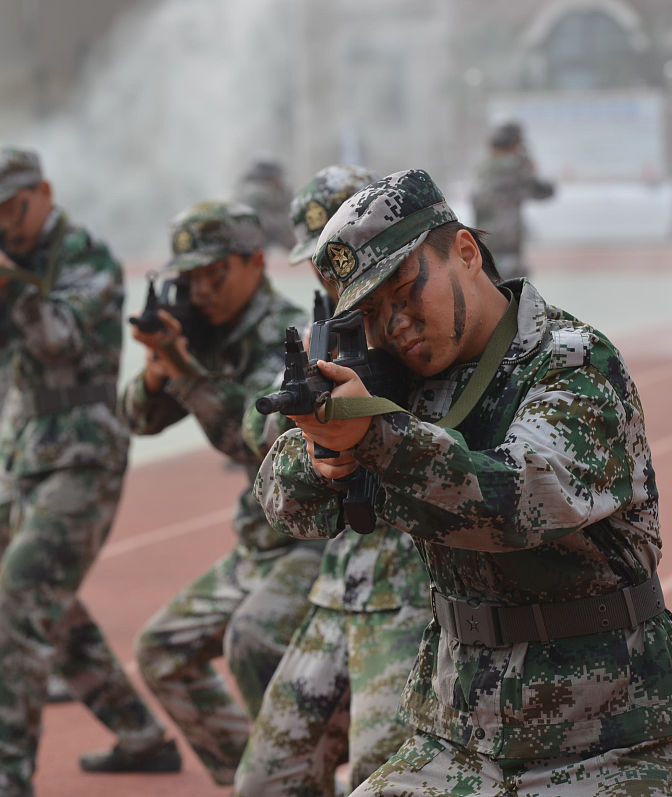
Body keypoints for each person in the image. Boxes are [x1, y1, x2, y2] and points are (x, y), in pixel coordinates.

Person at [257, 169, 672, 795]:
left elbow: (519, 500)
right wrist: (325, 456)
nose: (396, 325)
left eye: (406, 290)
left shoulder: (574, 362)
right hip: (457, 735)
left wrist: (374, 436)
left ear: (465, 252)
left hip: (608, 736)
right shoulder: (398, 380)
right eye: (373, 314)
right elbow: (285, 504)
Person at [0, 148, 179, 797]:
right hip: (24, 437)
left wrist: (10, 288)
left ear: (42, 193)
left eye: (9, 210)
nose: (0, 225)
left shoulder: (88, 259)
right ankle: (137, 731)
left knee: (23, 596)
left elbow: (59, 340)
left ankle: (8, 768)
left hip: (84, 446)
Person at [234, 164, 440, 796]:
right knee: (267, 779)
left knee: (383, 767)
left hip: (411, 586)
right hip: (340, 580)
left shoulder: (421, 323)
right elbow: (259, 427)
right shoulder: (319, 324)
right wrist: (311, 418)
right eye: (324, 263)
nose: (331, 278)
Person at [121, 200, 322, 787]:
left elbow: (249, 437)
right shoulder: (205, 333)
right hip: (259, 542)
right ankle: (255, 780)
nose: (200, 289)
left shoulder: (288, 339)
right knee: (162, 652)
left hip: (313, 542)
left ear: (255, 261)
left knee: (253, 638)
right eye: (188, 277)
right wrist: (161, 368)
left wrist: (184, 368)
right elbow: (136, 418)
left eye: (214, 273)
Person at [470, 120, 554, 280]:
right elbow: (544, 191)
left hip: (483, 241)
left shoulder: (483, 167)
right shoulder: (516, 166)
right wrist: (532, 169)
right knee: (513, 293)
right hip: (507, 243)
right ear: (515, 143)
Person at [234, 156, 296, 252]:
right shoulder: (255, 196)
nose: (280, 182)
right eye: (276, 178)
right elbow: (278, 229)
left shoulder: (279, 196)